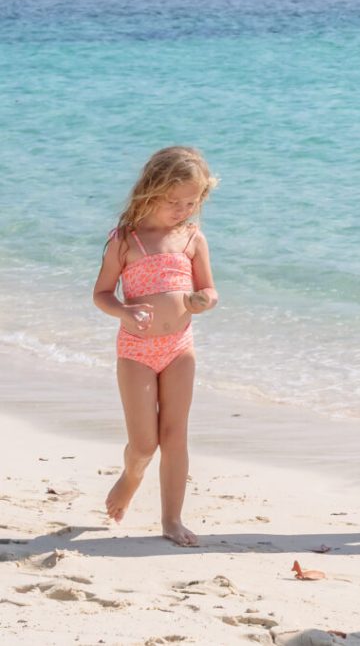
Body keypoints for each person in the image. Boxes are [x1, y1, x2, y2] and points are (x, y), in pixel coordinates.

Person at [92, 145, 220, 546]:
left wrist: (205, 301)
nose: (183, 209)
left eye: (191, 202)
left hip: (180, 346)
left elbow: (209, 290)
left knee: (175, 434)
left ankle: (172, 519)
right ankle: (131, 477)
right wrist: (124, 312)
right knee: (145, 443)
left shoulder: (192, 239)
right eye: (174, 201)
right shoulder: (127, 241)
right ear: (151, 190)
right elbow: (101, 293)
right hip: (137, 351)